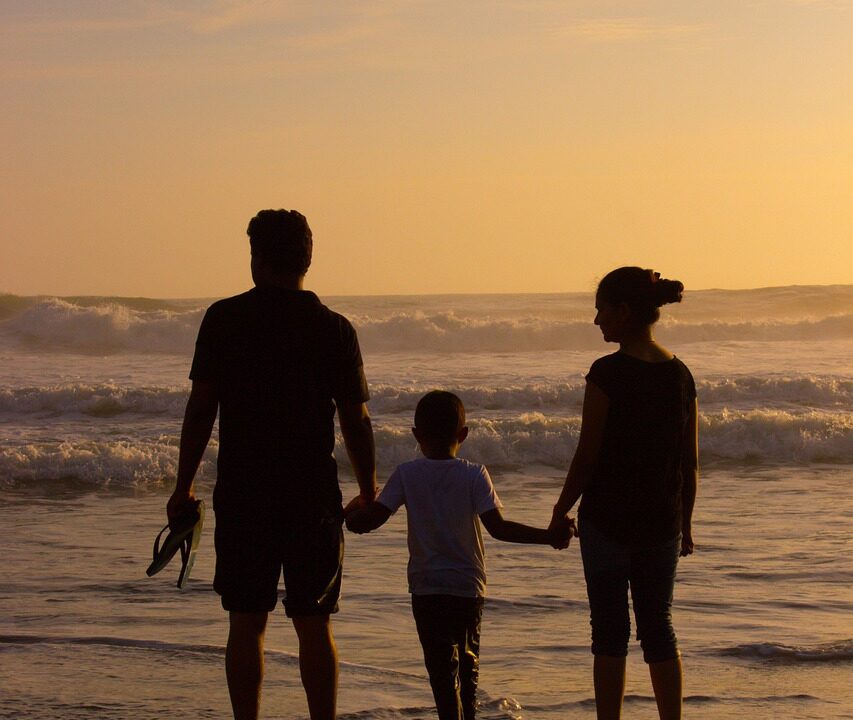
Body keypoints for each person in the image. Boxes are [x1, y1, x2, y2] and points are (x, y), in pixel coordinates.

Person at [166, 209, 377, 720]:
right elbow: (356, 420)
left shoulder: (225, 319)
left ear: (256, 257)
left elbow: (201, 409)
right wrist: (370, 491)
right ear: (308, 259)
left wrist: (183, 486)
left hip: (244, 491)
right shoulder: (334, 329)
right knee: (314, 622)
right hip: (312, 494)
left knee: (246, 620)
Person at [346, 390, 575, 720]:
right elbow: (499, 528)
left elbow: (368, 522)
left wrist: (347, 513)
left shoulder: (407, 474)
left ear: (416, 435)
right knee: (468, 671)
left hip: (426, 588)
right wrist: (548, 537)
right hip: (468, 588)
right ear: (463, 434)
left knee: (441, 674)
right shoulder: (474, 474)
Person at [548, 267, 699, 720]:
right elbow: (689, 462)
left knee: (609, 633)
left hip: (607, 521)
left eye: (602, 310)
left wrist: (560, 510)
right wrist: (686, 524)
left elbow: (587, 455)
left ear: (624, 311)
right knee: (659, 629)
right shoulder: (681, 375)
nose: (597, 320)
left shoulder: (607, 373)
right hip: (661, 522)